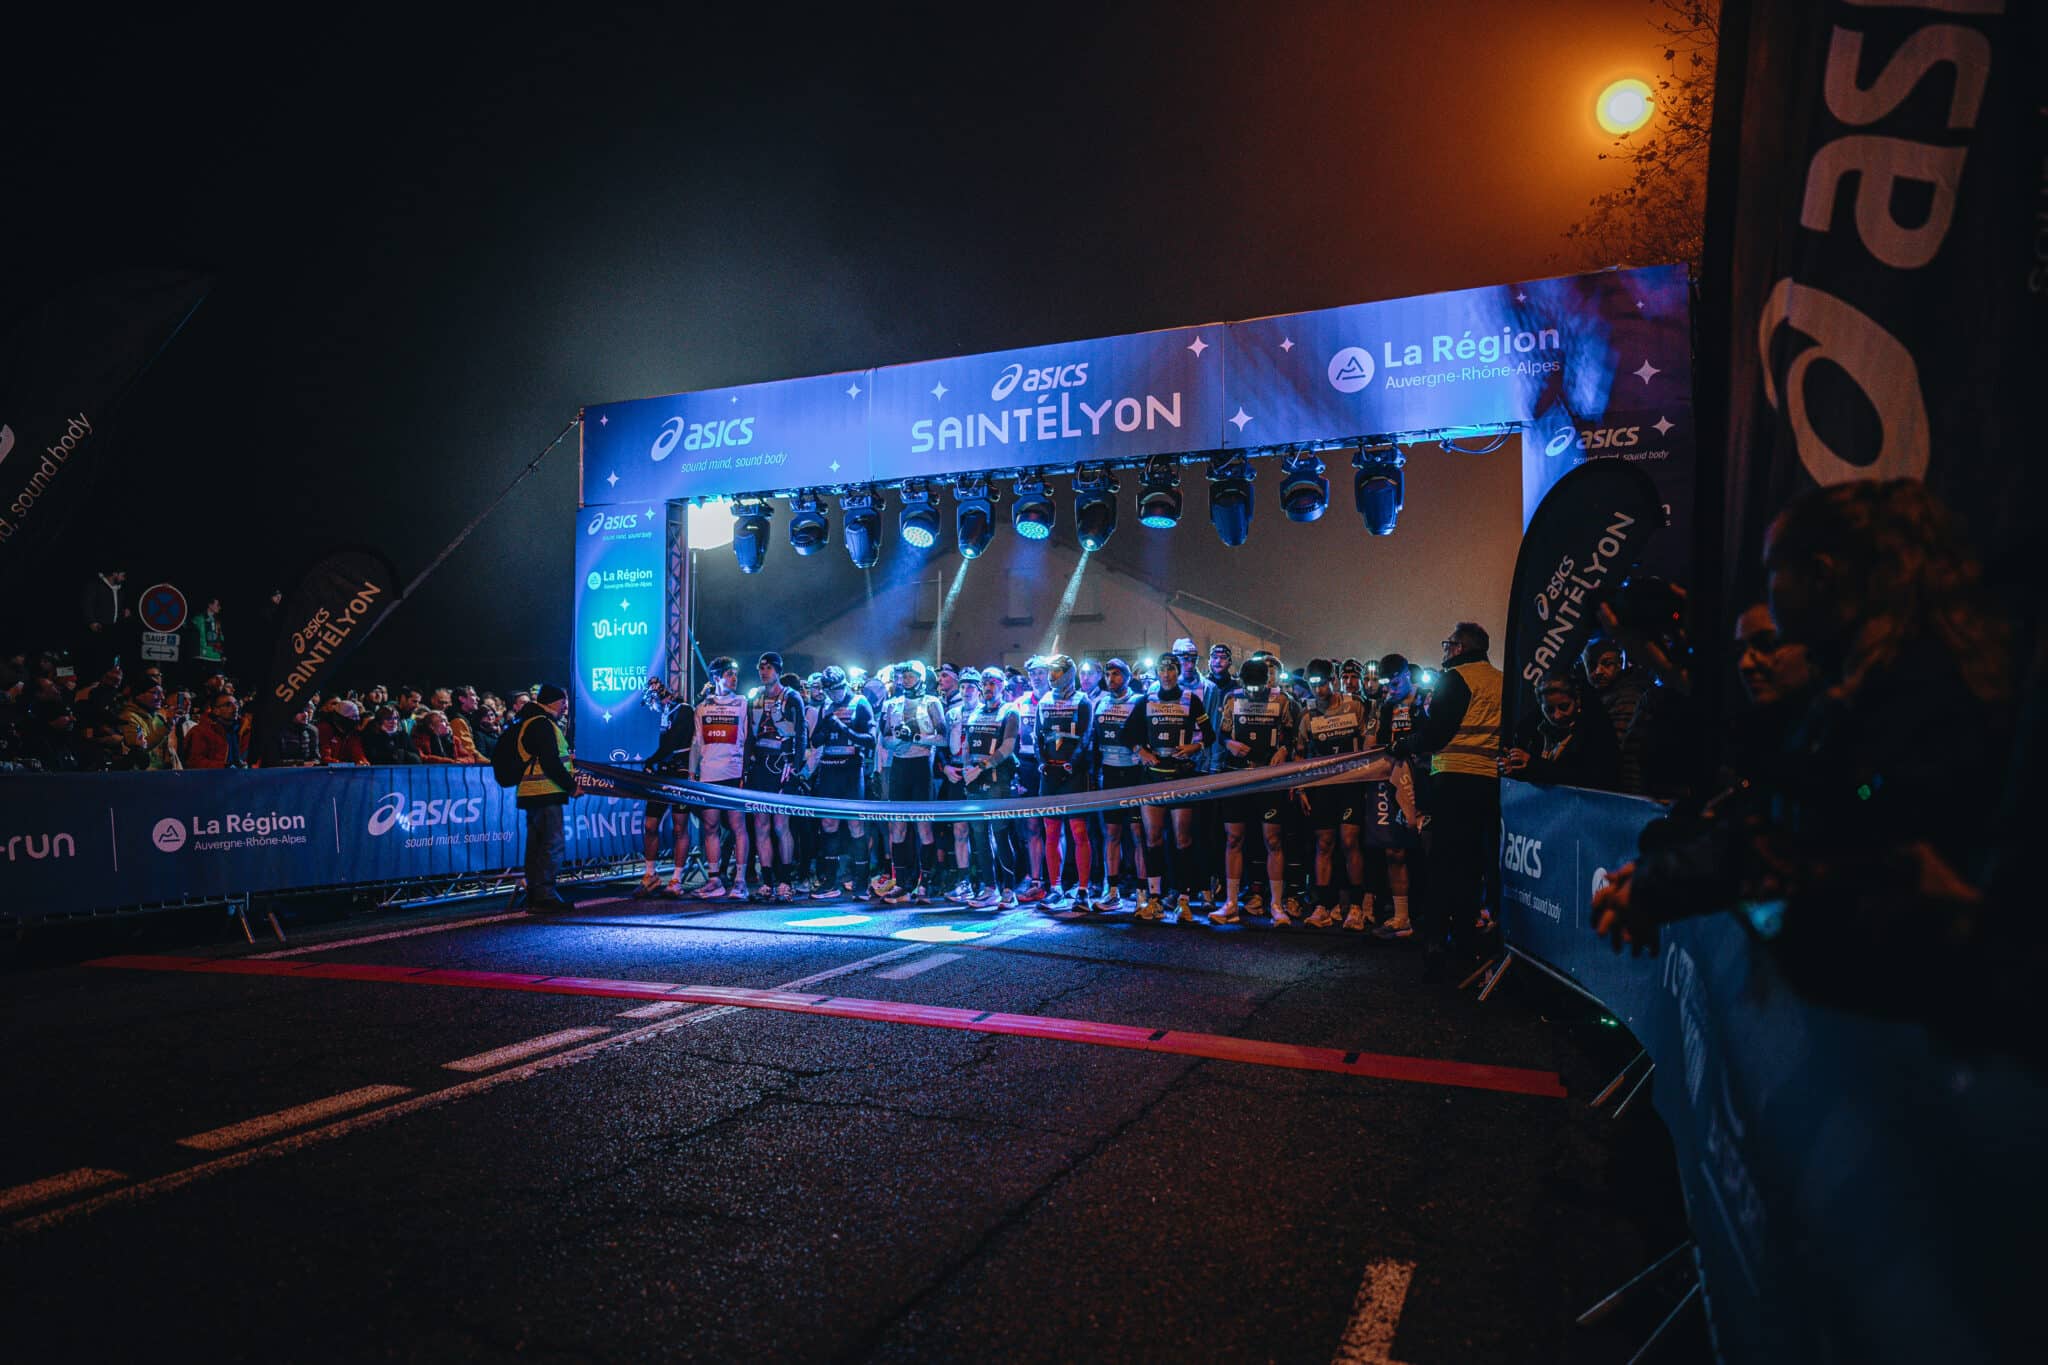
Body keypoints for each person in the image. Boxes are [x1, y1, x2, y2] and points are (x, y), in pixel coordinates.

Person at [1593, 480, 2016, 1027]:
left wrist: (1659, 886)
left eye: (1772, 569)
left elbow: (1833, 831)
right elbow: (1784, 821)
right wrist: (1657, 883)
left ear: (1821, 574)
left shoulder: (1917, 697)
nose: (1766, 588)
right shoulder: (1858, 691)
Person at [1392, 622, 1504, 979]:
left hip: (1453, 777)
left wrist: (1404, 745)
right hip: (1490, 780)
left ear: (1459, 648)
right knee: (1474, 863)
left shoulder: (1454, 679)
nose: (1444, 650)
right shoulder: (1502, 680)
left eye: (1448, 644)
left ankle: (1436, 939)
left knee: (1442, 861)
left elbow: (1436, 733)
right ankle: (1467, 937)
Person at [1124, 650, 1211, 921]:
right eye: (1162, 669)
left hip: (1181, 775)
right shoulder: (1147, 700)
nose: (1167, 674)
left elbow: (1210, 735)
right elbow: (1127, 734)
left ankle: (1184, 899)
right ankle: (1154, 899)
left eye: (1171, 669)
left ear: (1178, 671)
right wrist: (1141, 751)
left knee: (1183, 839)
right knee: (1152, 838)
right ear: (1157, 673)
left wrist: (1196, 746)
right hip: (1152, 777)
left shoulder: (1191, 699)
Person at [1209, 657, 1295, 924]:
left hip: (1269, 778)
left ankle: (1276, 904)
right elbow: (1221, 733)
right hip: (1238, 775)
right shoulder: (1232, 698)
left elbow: (1291, 733)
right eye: (1250, 687)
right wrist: (1229, 744)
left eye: (1259, 687)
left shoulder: (1282, 700)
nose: (1254, 692)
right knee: (1234, 838)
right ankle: (1231, 903)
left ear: (1268, 682)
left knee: (1273, 840)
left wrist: (1284, 750)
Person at [1293, 658, 1370, 928]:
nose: (1318, 690)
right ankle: (1322, 905)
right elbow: (1300, 754)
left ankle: (1356, 906)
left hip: (1351, 784)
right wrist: (1301, 788)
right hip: (1322, 787)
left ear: (1333, 680)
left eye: (1323, 684)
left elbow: (1368, 742)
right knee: (1324, 843)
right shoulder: (1307, 714)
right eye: (1313, 685)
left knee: (1350, 841)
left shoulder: (1355, 705)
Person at [874, 660, 947, 903]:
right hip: (899, 766)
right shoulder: (891, 704)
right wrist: (899, 740)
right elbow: (885, 738)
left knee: (923, 826)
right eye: (903, 676)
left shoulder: (932, 702)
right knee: (897, 826)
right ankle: (902, 883)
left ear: (921, 678)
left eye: (911, 676)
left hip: (921, 766)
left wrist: (916, 737)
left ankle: (926, 883)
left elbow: (943, 738)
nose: (906, 680)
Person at [1364, 655, 1424, 937]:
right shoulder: (1382, 705)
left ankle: (1431, 917)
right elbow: (1369, 745)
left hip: (1425, 783)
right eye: (1386, 684)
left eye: (1396, 683)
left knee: (1427, 851)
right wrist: (1384, 711)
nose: (1390, 689)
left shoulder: (1427, 699)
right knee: (1394, 850)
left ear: (1407, 675)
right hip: (1392, 785)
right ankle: (1401, 916)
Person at [807, 665, 876, 900]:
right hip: (829, 769)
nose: (834, 695)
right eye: (830, 691)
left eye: (837, 690)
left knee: (855, 824)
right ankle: (829, 881)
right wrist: (827, 729)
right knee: (828, 823)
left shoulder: (860, 702)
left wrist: (843, 729)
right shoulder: (826, 706)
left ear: (845, 685)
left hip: (851, 769)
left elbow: (870, 740)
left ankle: (861, 883)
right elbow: (815, 740)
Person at [956, 665, 1020, 908]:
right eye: (985, 683)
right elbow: (967, 746)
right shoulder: (975, 712)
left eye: (993, 683)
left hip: (997, 780)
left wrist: (982, 766)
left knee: (1001, 833)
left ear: (1002, 685)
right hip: (974, 781)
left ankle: (1009, 889)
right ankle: (989, 887)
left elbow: (1008, 747)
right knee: (979, 835)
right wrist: (966, 769)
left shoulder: (1009, 711)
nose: (988, 687)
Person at [1035, 654, 1095, 911]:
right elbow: (1037, 736)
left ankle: (1083, 890)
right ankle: (1055, 887)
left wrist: (1072, 763)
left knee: (1079, 832)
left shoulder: (1083, 700)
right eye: (1051, 671)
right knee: (1051, 833)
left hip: (1074, 774)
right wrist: (1042, 762)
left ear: (1069, 673)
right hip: (1049, 774)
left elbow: (1087, 735)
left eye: (1057, 671)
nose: (1052, 676)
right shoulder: (1044, 701)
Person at [510, 684, 577, 911]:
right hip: (545, 792)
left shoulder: (531, 721)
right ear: (552, 702)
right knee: (551, 844)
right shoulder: (543, 724)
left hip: (534, 793)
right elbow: (550, 762)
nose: (565, 707)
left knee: (536, 846)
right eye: (563, 702)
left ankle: (535, 894)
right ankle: (545, 895)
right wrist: (571, 786)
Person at [690, 657, 752, 900]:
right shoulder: (702, 707)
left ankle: (740, 881)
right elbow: (697, 743)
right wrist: (692, 773)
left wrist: (745, 773)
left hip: (733, 772)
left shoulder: (742, 703)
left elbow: (748, 739)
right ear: (716, 677)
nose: (734, 678)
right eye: (729, 674)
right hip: (709, 774)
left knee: (738, 826)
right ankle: (715, 879)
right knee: (710, 826)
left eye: (735, 674)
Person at [746, 652, 806, 901]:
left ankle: (785, 881)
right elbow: (749, 735)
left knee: (781, 825)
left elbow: (801, 733)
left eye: (769, 668)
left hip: (783, 765)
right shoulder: (755, 697)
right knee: (761, 825)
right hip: (760, 765)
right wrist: (746, 766)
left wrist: (797, 765)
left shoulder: (791, 696)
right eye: (761, 668)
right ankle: (767, 881)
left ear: (778, 671)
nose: (764, 672)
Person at [1089, 658, 1147, 911]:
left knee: (1138, 834)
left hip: (1134, 774)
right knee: (1111, 834)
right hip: (1110, 774)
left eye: (1116, 674)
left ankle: (1142, 892)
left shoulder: (1139, 701)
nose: (1111, 679)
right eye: (1107, 674)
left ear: (1126, 676)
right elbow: (1094, 741)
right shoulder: (1101, 703)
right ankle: (1112, 890)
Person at [1502, 672, 1620, 790]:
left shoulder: (1595, 731)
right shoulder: (1533, 731)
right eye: (1549, 710)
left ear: (1577, 701)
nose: (1557, 716)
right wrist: (1515, 768)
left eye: (1564, 707)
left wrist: (1534, 764)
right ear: (1540, 707)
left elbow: (1589, 778)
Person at [639, 678, 696, 896]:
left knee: (679, 827)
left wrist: (651, 760)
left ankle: (676, 878)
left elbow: (673, 743)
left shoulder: (684, 710)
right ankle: (650, 874)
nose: (652, 707)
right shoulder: (664, 713)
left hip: (680, 772)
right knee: (650, 824)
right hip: (662, 773)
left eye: (652, 701)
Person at [182, 691, 246, 769]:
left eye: (236, 704)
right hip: (214, 776)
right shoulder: (200, 731)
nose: (235, 708)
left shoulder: (243, 730)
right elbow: (194, 762)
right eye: (228, 705)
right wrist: (224, 767)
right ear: (216, 710)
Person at [260, 694, 323, 768]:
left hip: (305, 772)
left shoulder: (312, 731)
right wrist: (300, 764)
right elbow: (271, 762)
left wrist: (314, 763)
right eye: (301, 711)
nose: (305, 715)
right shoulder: (276, 730)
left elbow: (316, 758)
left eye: (308, 711)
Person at [319, 698, 368, 764]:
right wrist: (345, 765)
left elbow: (358, 753)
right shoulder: (324, 729)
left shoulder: (352, 733)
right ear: (339, 718)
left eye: (355, 719)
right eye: (350, 719)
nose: (353, 723)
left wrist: (363, 762)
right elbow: (324, 758)